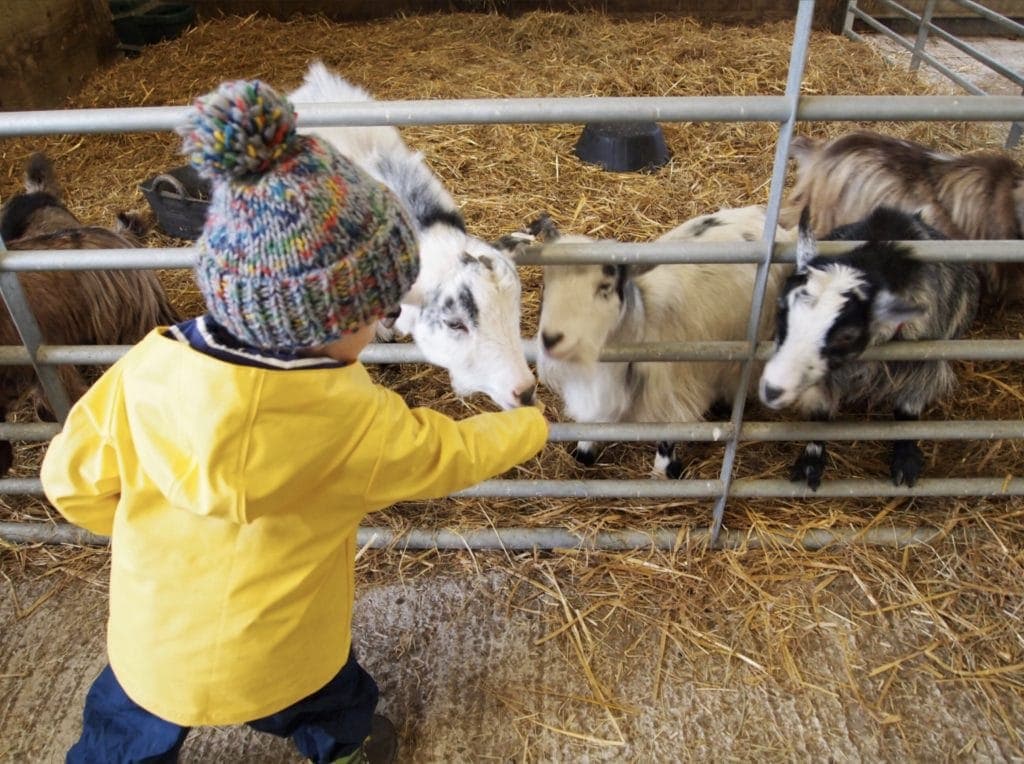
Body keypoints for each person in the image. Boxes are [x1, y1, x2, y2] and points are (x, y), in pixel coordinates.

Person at [40, 78, 548, 764]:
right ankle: (344, 748)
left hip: (154, 649)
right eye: (375, 312)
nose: (382, 324)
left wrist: (136, 523)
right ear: (331, 322)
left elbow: (69, 482)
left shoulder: (145, 370)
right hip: (289, 658)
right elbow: (444, 454)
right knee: (337, 707)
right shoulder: (351, 416)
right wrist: (527, 429)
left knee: (120, 730)